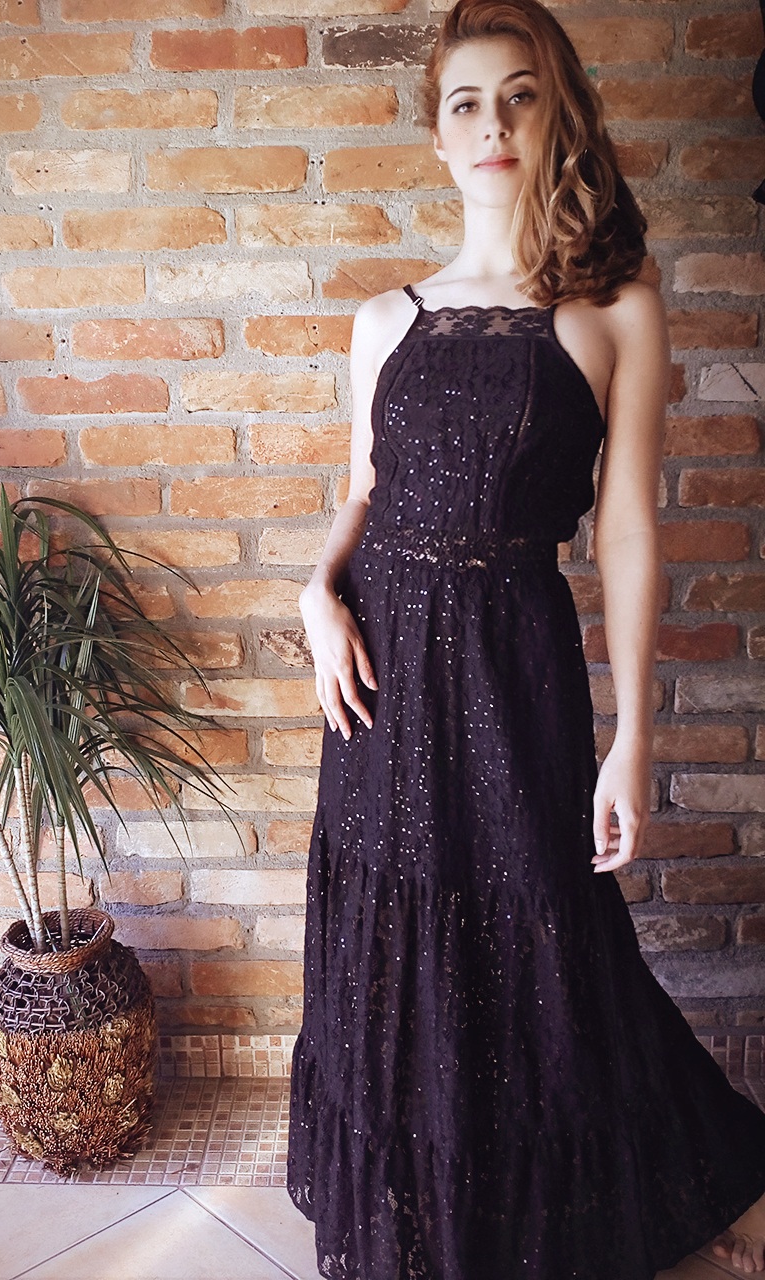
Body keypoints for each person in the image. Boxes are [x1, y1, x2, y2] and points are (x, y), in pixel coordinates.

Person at [284, 1, 765, 1276]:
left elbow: (628, 532)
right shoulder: (384, 319)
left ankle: (659, 1193)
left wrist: (633, 739)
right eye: (466, 103)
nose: (492, 124)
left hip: (514, 669)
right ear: (437, 138)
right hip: (380, 680)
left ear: (556, 116)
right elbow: (364, 490)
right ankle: (425, 1222)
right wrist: (315, 590)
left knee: (543, 937)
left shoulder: (619, 306)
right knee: (394, 936)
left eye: (519, 96)